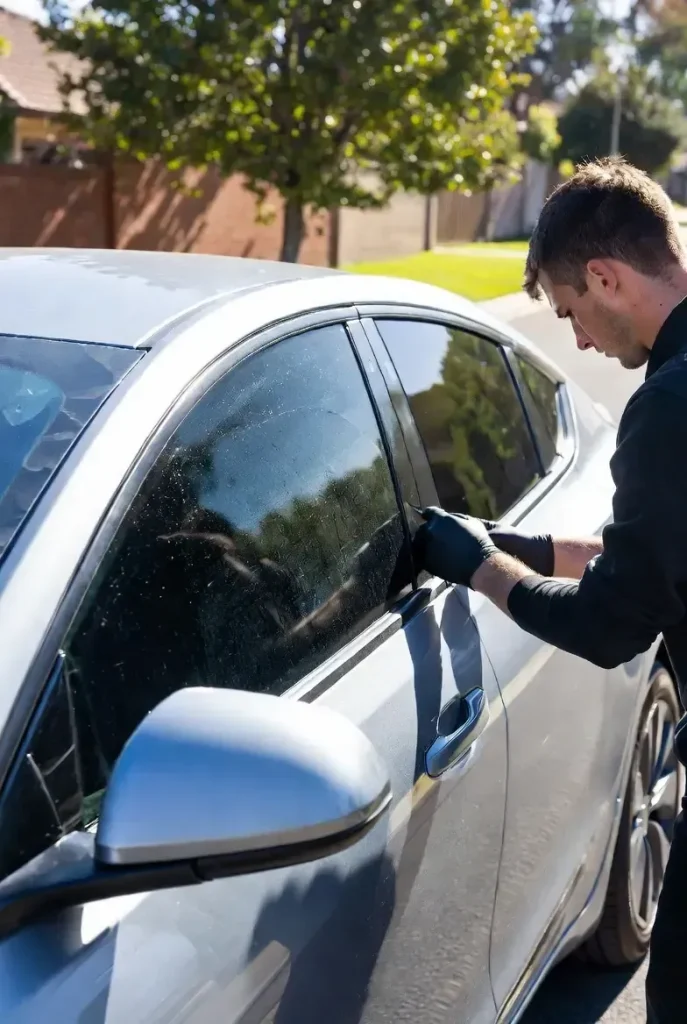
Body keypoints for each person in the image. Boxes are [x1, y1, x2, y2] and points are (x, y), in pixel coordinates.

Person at [415, 156, 687, 1023]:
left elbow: (612, 624)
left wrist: (481, 569)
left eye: (569, 312)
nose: (577, 342)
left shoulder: (669, 405)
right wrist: (528, 546)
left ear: (604, 277)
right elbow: (664, 551)